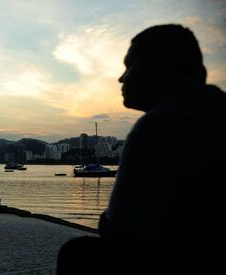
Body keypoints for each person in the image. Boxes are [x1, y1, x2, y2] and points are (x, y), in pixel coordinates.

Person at [57, 24, 226, 273]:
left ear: (158, 67)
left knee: (76, 254)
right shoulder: (215, 109)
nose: (121, 78)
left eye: (129, 66)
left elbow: (119, 231)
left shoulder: (159, 124)